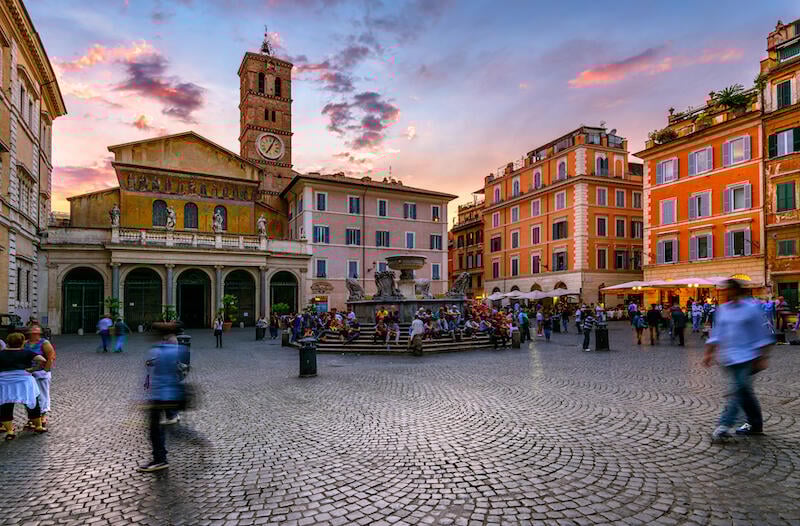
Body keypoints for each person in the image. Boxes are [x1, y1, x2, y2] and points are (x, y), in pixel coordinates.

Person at [703, 279, 775, 442]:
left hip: (748, 356)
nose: (728, 293)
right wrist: (709, 353)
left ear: (738, 291)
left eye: (730, 290)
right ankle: (756, 425)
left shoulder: (752, 308)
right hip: (729, 357)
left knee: (737, 390)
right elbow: (717, 333)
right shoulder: (723, 310)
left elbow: (762, 332)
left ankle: (724, 425)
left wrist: (763, 356)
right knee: (745, 392)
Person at [138, 324, 187, 472]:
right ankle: (160, 456)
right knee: (157, 427)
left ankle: (160, 458)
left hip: (160, 395)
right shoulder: (172, 349)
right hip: (169, 393)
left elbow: (154, 374)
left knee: (154, 428)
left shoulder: (159, 350)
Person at [0, 332, 47, 439]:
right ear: (22, 343)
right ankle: (38, 426)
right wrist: (33, 369)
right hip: (24, 381)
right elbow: (42, 360)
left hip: (5, 382)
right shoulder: (26, 352)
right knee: (32, 403)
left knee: (5, 406)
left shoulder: (1, 353)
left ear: (8, 343)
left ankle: (10, 432)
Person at [23, 325, 55, 430]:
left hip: (41, 372)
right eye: (33, 332)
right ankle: (32, 417)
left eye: (36, 332)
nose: (34, 334)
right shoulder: (25, 343)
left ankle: (43, 416)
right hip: (28, 373)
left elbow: (51, 357)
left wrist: (45, 371)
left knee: (42, 394)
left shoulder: (44, 343)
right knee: (29, 396)